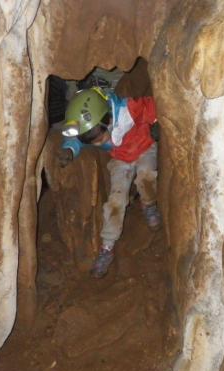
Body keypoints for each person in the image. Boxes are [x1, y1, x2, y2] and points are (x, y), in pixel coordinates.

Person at [59, 87, 161, 278]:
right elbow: (75, 139)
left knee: (146, 178)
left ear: (108, 121)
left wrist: (158, 120)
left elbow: (154, 106)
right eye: (94, 143)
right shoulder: (92, 126)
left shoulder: (129, 109)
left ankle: (148, 205)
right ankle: (107, 248)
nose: (98, 144)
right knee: (115, 203)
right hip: (121, 160)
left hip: (145, 149)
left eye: (100, 139)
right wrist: (69, 150)